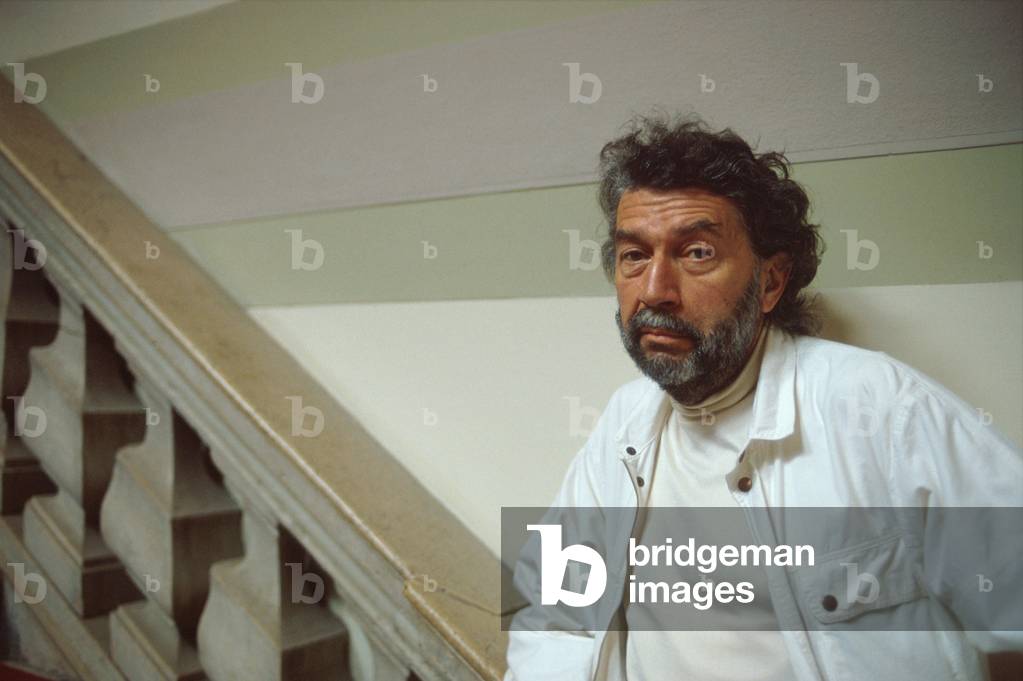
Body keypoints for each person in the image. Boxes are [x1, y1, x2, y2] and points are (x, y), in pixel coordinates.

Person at [504, 114, 1022, 681]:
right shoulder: (622, 424)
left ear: (771, 281)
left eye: (696, 252)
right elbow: (555, 612)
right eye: (634, 256)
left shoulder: (883, 411)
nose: (655, 290)